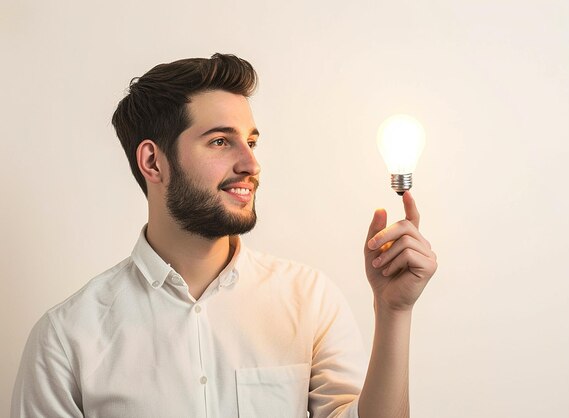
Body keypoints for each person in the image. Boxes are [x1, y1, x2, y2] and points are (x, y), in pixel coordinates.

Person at [11, 53, 437, 418]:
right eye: (220, 142)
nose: (250, 164)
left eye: (251, 141)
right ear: (153, 162)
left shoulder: (309, 299)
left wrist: (393, 311)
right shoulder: (66, 339)